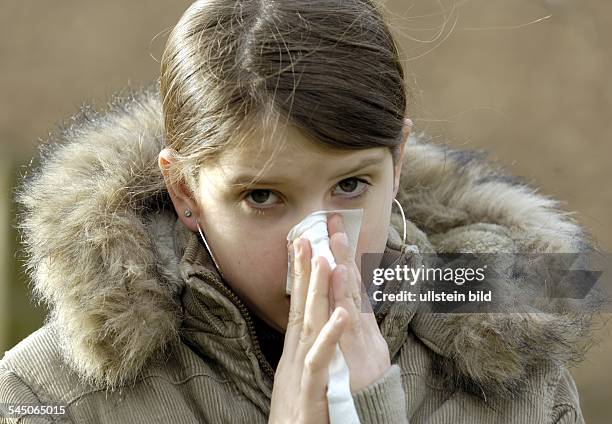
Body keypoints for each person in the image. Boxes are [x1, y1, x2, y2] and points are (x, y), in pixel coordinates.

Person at [0, 0, 597, 423]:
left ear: (397, 161)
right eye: (262, 197)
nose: (319, 243)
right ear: (184, 192)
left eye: (351, 185)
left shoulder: (518, 378)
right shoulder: (46, 396)